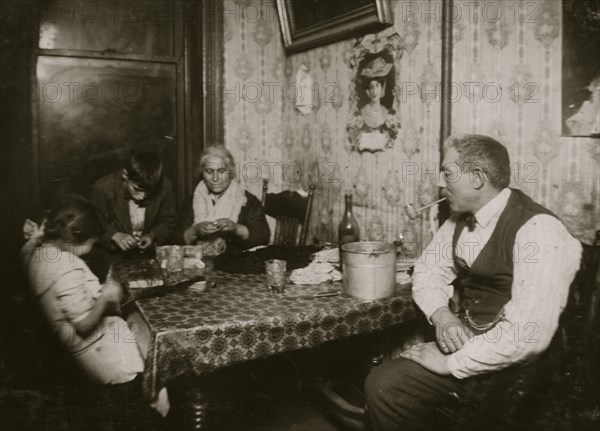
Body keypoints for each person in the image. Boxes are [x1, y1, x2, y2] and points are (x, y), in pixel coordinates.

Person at [365, 135, 582, 430]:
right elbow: (428, 270)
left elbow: (527, 338)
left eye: (448, 172)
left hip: (521, 365)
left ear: (478, 178)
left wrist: (451, 363)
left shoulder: (539, 231)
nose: (441, 182)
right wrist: (442, 316)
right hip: (471, 344)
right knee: (384, 383)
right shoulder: (459, 219)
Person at [21, 199, 144, 385]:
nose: (91, 248)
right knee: (140, 336)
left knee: (132, 326)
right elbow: (83, 326)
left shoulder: (40, 251)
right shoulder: (66, 267)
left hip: (61, 340)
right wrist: (107, 296)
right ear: (79, 240)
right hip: (87, 349)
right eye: (92, 243)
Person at [183, 146, 269, 253]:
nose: (215, 178)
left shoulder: (246, 200)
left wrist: (235, 228)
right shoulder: (192, 200)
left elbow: (263, 237)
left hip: (234, 263)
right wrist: (195, 231)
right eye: (209, 171)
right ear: (202, 173)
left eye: (221, 171)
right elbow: (173, 240)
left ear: (231, 172)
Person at [91, 151, 178, 252]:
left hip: (147, 254)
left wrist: (152, 235)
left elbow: (168, 220)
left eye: (150, 190)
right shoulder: (103, 188)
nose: (142, 197)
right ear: (125, 174)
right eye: (137, 189)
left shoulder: (165, 186)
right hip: (111, 254)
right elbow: (93, 224)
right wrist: (114, 235)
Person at [359, 56, 393, 129]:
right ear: (368, 90)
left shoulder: (385, 112)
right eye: (371, 87)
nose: (374, 91)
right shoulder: (363, 112)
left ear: (382, 87)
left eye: (377, 85)